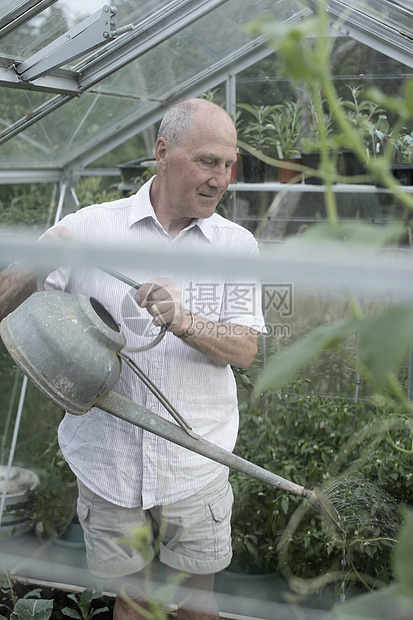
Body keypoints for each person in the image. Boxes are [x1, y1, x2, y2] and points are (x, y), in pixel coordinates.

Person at [0, 98, 265, 619]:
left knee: (195, 604)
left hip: (196, 463)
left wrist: (185, 320)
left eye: (229, 164)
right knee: (135, 602)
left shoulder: (237, 245)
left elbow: (246, 349)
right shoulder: (91, 229)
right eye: (209, 161)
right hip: (108, 465)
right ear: (163, 152)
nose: (222, 178)